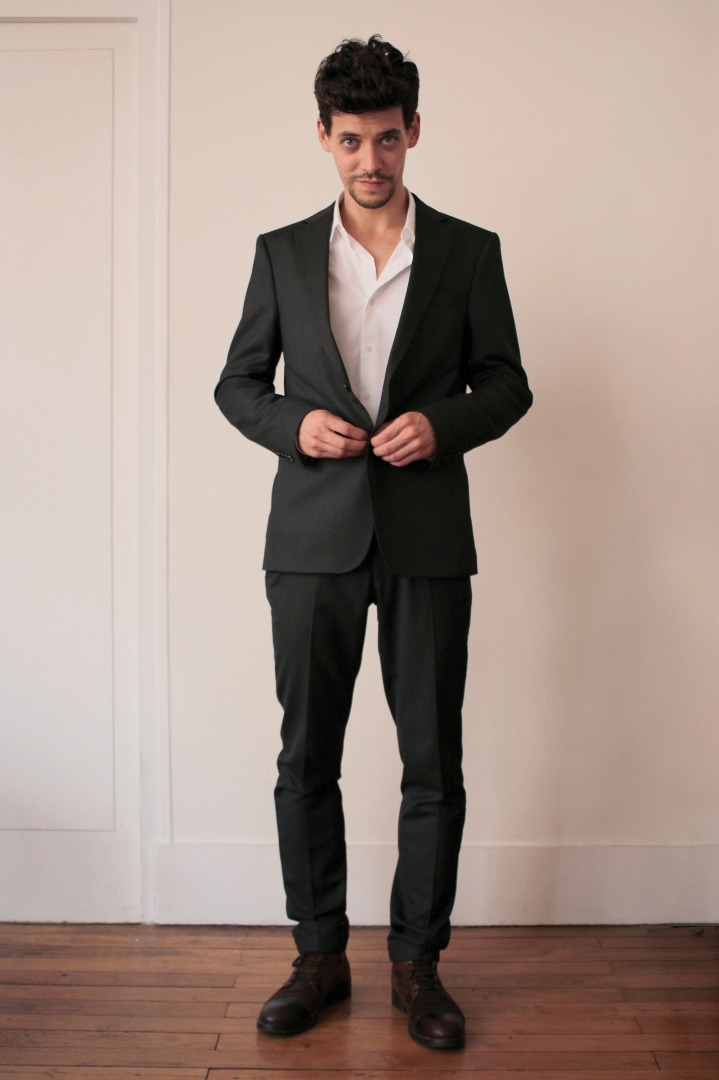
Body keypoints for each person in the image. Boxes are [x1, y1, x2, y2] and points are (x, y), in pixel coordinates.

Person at [215, 34, 532, 1050]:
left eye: (386, 138)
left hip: (425, 536)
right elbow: (237, 384)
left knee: (430, 760)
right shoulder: (280, 253)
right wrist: (291, 425)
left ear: (413, 132)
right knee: (305, 756)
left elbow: (507, 384)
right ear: (323, 136)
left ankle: (416, 966)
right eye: (350, 140)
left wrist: (440, 423)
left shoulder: (468, 251)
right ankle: (317, 957)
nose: (369, 160)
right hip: (310, 537)